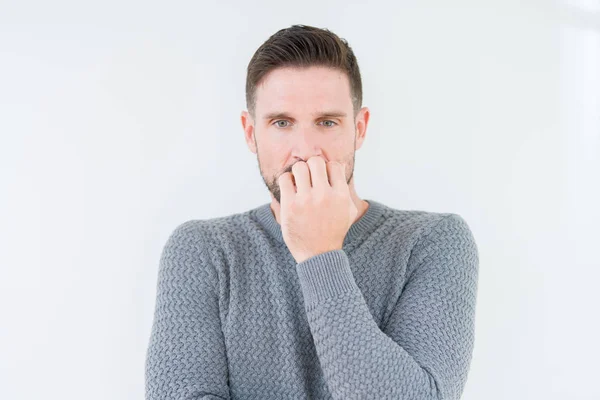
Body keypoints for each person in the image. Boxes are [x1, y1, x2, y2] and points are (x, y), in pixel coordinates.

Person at [145, 24, 479, 400]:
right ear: (250, 132)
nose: (305, 149)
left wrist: (320, 254)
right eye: (282, 123)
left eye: (327, 122)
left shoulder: (431, 242)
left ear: (360, 128)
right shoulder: (202, 250)